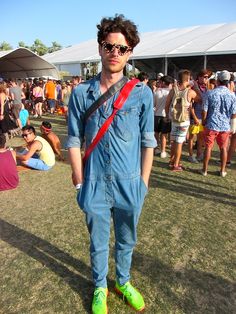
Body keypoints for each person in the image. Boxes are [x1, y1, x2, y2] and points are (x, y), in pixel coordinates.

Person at [67, 14, 156, 314]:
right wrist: (79, 183)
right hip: (93, 184)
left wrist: (143, 183)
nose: (115, 53)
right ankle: (101, 287)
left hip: (131, 184)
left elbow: (148, 141)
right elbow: (73, 140)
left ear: (130, 52)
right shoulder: (81, 93)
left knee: (127, 241)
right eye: (109, 46)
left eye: (122, 48)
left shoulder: (142, 94)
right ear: (100, 47)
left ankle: (123, 281)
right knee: (99, 243)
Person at [201, 70, 236, 177]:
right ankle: (222, 170)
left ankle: (205, 170)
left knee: (208, 147)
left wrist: (204, 121)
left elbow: (204, 111)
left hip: (211, 124)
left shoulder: (210, 93)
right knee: (223, 148)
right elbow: (234, 114)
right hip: (225, 126)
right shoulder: (232, 95)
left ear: (218, 80)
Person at [165, 69, 197, 171]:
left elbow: (167, 105)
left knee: (174, 141)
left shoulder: (173, 90)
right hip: (184, 120)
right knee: (179, 143)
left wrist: (167, 116)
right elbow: (200, 99)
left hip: (174, 119)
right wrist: (195, 86)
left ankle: (172, 160)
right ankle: (176, 164)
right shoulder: (190, 92)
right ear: (188, 79)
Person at [188, 69, 211, 163]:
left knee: (200, 137)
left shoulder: (206, 88)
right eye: (205, 77)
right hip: (195, 116)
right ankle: (190, 155)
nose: (206, 79)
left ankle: (199, 154)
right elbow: (191, 105)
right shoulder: (193, 87)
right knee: (191, 137)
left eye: (208, 77)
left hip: (203, 117)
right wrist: (194, 117)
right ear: (199, 77)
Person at [154, 75, 174, 158]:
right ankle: (163, 151)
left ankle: (156, 148)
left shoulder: (157, 92)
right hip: (167, 115)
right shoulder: (171, 92)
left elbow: (154, 104)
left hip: (157, 114)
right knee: (164, 134)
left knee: (156, 133)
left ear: (163, 82)